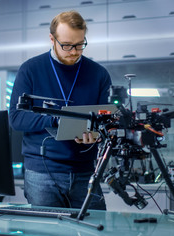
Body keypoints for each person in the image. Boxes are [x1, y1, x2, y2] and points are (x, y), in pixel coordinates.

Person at [9, 11, 111, 210]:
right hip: (42, 173)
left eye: (80, 44)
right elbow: (16, 118)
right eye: (67, 45)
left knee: (95, 232)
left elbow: (107, 121)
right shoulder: (30, 70)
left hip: (86, 171)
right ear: (51, 39)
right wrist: (56, 120)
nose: (73, 51)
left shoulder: (99, 74)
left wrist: (96, 135)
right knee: (48, 233)